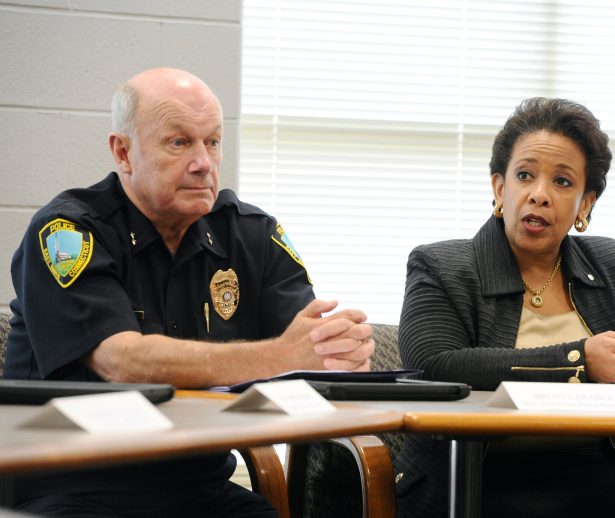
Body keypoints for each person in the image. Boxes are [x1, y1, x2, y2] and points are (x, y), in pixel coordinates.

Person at [5, 67, 374, 517]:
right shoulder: (67, 232)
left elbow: (309, 347)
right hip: (75, 487)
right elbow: (122, 361)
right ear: (124, 152)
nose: (204, 163)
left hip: (199, 490)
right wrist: (284, 354)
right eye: (180, 142)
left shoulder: (250, 234)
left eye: (213, 142)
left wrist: (340, 349)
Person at [393, 97, 615, 518]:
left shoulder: (612, 264)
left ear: (585, 204)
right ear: (499, 187)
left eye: (562, 182)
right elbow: (434, 364)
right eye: (525, 175)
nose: (539, 195)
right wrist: (578, 360)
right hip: (475, 477)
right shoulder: (442, 265)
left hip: (593, 472)